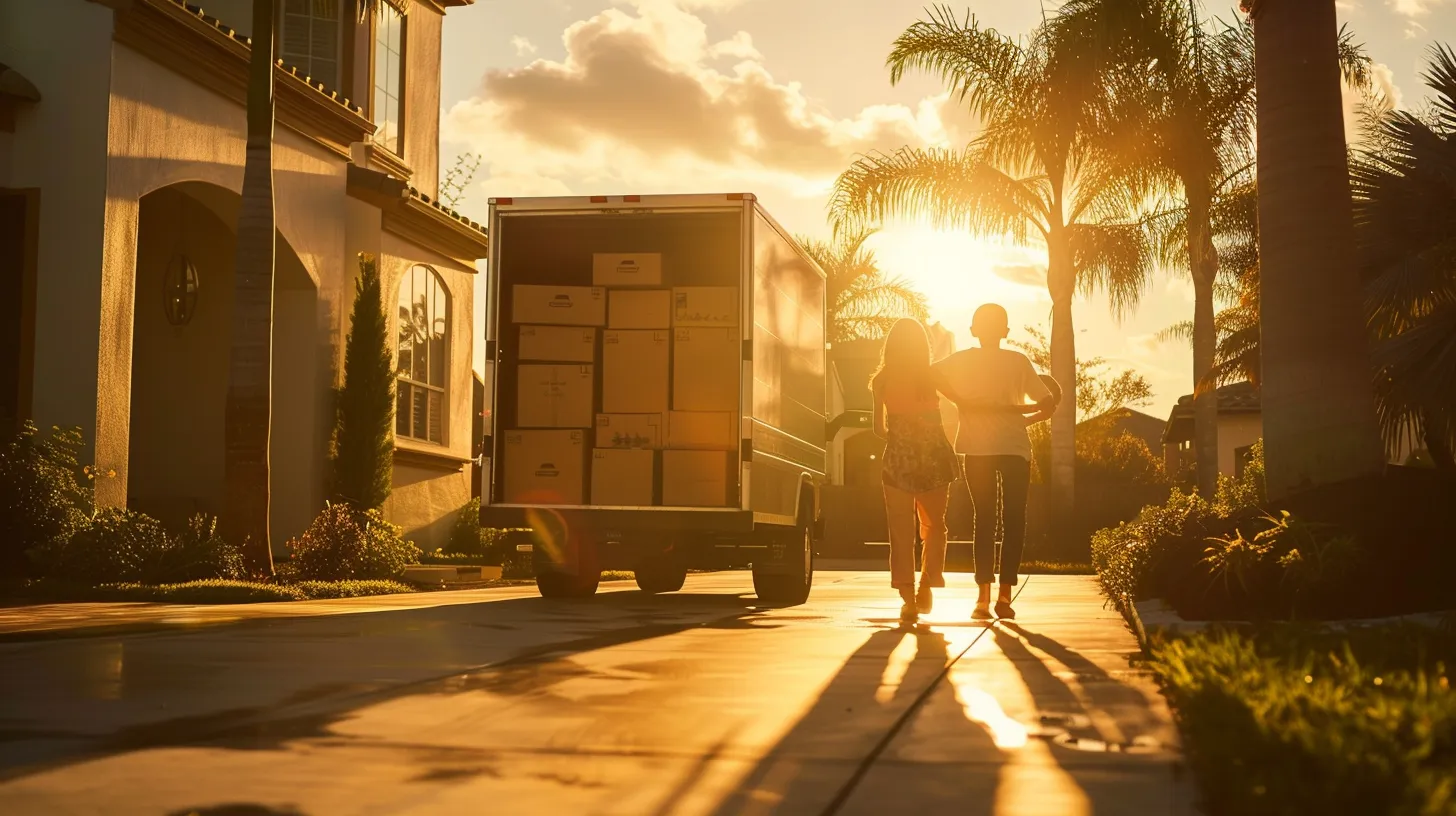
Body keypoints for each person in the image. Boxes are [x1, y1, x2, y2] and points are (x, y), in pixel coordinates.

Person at [933, 304, 1058, 621]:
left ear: (974, 330)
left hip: (980, 450)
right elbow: (1047, 403)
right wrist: (1020, 418)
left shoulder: (964, 360)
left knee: (985, 520)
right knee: (1013, 520)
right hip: (1012, 448)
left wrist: (961, 401)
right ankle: (1003, 597)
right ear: (1005, 332)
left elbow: (931, 373)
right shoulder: (1017, 361)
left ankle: (984, 599)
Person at [871, 319, 962, 623]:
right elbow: (961, 401)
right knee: (935, 526)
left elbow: (878, 428)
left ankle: (908, 599)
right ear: (923, 346)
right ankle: (926, 585)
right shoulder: (931, 375)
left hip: (898, 458)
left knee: (900, 531)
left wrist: (901, 433)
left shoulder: (881, 380)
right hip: (934, 456)